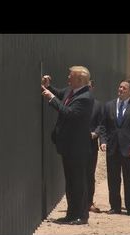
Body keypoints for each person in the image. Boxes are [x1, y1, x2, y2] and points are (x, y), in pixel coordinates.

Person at [41, 66, 94, 225]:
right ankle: (72, 214)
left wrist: (51, 99)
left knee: (78, 183)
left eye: (70, 76)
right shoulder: (72, 92)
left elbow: (69, 113)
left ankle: (81, 216)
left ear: (80, 80)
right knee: (70, 182)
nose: (68, 78)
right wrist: (48, 86)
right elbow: (60, 94)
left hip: (78, 148)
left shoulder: (85, 97)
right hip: (69, 147)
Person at [100, 79, 130, 217]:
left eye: (124, 88)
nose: (120, 89)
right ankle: (115, 207)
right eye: (119, 87)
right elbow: (103, 126)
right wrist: (103, 141)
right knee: (113, 179)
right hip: (112, 148)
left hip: (129, 150)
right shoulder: (108, 106)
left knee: (129, 179)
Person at [87, 79, 103, 213]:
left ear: (92, 87)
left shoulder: (97, 105)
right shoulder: (76, 103)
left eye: (89, 86)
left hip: (91, 145)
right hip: (76, 145)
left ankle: (89, 202)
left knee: (90, 175)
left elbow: (101, 124)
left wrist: (96, 133)